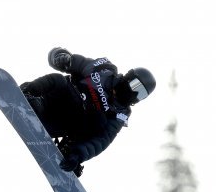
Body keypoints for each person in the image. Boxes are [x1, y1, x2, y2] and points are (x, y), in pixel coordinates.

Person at [20, 47, 156, 176]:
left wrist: (78, 155)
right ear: (129, 77)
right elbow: (74, 62)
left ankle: (67, 151)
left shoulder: (120, 113)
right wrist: (62, 57)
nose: (135, 93)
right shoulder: (105, 70)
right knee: (58, 80)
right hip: (53, 100)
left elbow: (102, 140)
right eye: (135, 86)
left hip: (63, 124)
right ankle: (29, 96)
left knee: (99, 121)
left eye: (141, 94)